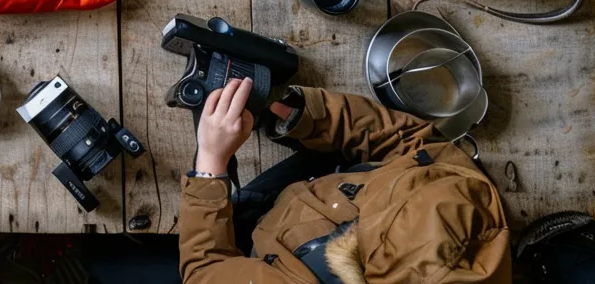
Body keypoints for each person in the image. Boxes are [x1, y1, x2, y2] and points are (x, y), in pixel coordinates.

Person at [180, 78, 511, 283]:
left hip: (268, 242)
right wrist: (305, 116)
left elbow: (203, 269)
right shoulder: (465, 202)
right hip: (322, 189)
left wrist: (211, 160)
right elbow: (410, 141)